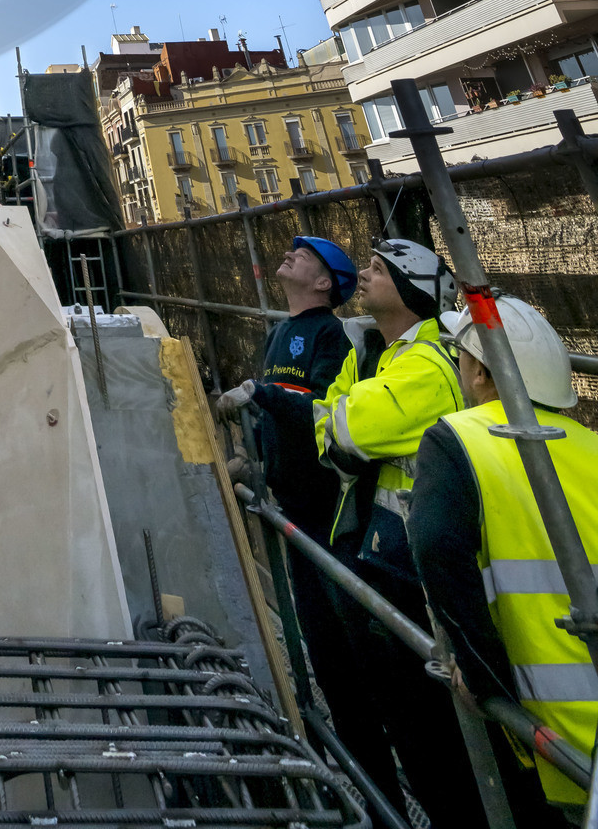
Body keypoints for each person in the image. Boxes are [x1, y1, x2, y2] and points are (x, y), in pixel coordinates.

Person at [315, 236, 488, 828]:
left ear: (412, 288)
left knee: (434, 746)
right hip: (385, 560)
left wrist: (341, 420)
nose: (365, 276)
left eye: (378, 270)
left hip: (415, 576)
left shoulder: (428, 360)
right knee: (413, 733)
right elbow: (330, 427)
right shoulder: (381, 355)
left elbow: (345, 428)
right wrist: (342, 416)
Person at [215, 236, 393, 798]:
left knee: (347, 655)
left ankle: (380, 786)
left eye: (305, 254)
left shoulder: (329, 335)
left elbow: (317, 408)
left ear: (325, 284)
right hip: (291, 508)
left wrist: (261, 396)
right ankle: (356, 775)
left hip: (326, 513)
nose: (289, 253)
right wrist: (253, 457)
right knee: (319, 646)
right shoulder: (277, 333)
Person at [412, 296, 598, 824]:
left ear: (477, 372)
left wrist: (481, 674)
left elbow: (436, 550)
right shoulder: (594, 449)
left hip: (553, 739)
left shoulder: (459, 440)